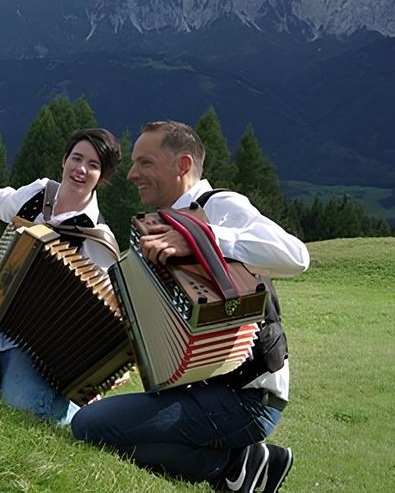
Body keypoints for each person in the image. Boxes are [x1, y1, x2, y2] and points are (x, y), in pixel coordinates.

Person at [70, 120, 309, 493]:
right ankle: (240, 465)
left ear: (183, 166)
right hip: (193, 388)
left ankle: (236, 462)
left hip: (246, 397)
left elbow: (297, 256)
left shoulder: (220, 206)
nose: (132, 174)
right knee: (100, 425)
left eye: (145, 163)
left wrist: (200, 238)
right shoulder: (159, 223)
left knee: (90, 427)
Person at [0, 128, 122, 424]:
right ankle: (1, 374)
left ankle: (67, 403)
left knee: (23, 417)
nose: (81, 169)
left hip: (39, 349)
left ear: (102, 176)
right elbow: (2, 202)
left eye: (93, 165)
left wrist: (96, 371)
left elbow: (105, 312)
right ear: (64, 160)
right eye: (76, 158)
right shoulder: (41, 192)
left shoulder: (99, 240)